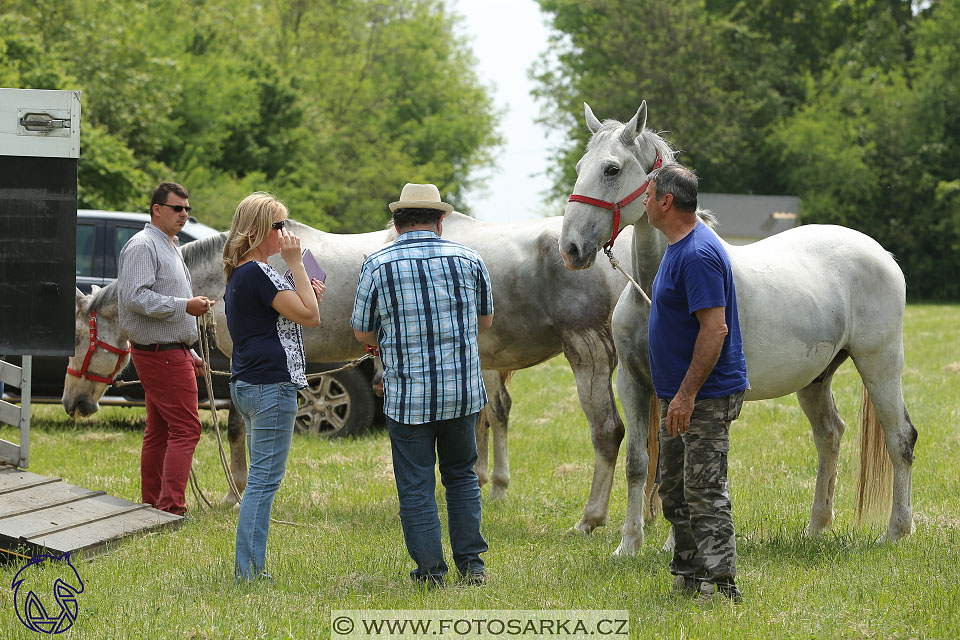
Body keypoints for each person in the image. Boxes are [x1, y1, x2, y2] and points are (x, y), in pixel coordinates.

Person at [351, 183, 494, 589]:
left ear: (396, 224)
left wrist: (385, 337)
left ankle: (431, 574)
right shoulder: (469, 258)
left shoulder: (377, 264)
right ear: (440, 221)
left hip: (408, 395)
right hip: (462, 392)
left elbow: (361, 329)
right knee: (462, 477)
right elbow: (485, 322)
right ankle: (472, 567)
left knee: (416, 486)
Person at [644, 164, 749, 604]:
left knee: (704, 490)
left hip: (703, 396)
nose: (644, 201)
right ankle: (689, 573)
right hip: (679, 396)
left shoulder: (698, 254)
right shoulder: (678, 246)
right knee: (673, 488)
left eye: (648, 194)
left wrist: (686, 395)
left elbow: (714, 329)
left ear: (666, 202)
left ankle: (722, 584)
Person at [222, 192, 324, 581]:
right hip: (270, 384)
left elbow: (289, 314)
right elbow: (311, 317)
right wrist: (297, 264)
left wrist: (304, 287)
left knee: (261, 478)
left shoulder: (242, 272)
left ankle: (249, 567)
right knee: (264, 481)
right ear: (257, 230)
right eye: (279, 225)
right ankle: (248, 572)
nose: (285, 232)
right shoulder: (259, 272)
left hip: (250, 382)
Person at [117, 182, 214, 516]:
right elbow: (135, 297)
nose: (184, 214)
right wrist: (185, 305)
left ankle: (153, 504)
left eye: (187, 209)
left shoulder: (169, 244)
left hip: (170, 351)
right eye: (177, 208)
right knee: (187, 429)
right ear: (157, 209)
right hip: (160, 354)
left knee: (159, 431)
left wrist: (191, 352)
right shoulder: (143, 246)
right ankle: (172, 508)